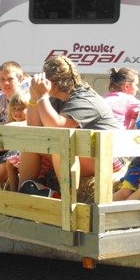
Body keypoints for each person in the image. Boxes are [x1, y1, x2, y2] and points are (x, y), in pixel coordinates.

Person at [18, 55, 121, 197]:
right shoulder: (56, 99)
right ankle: (22, 192)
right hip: (85, 152)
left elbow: (58, 128)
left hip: (106, 157)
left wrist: (42, 96)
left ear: (53, 82)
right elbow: (34, 127)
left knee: (59, 144)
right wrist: (34, 96)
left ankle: (67, 198)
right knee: (30, 143)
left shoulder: (85, 99)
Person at [0, 90, 30, 189]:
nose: (16, 112)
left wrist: (8, 126)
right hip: (11, 153)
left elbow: (21, 130)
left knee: (10, 157)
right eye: (14, 109)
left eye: (21, 109)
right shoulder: (11, 123)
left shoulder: (29, 123)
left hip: (25, 155)